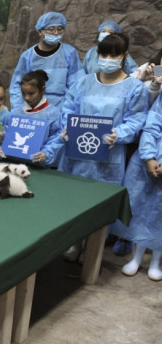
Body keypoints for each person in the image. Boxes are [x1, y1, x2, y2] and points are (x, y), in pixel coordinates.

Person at [59, 33, 149, 261]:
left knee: (100, 205)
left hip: (109, 156)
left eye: (114, 54)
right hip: (78, 155)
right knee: (74, 199)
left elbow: (137, 120)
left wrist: (119, 134)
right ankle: (73, 242)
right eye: (103, 54)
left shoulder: (134, 88)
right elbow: (69, 108)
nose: (108, 58)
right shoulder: (84, 82)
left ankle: (92, 250)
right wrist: (67, 127)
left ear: (125, 55)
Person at [115, 92, 162, 281]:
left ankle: (156, 261)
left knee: (160, 215)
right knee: (140, 210)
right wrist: (149, 156)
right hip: (147, 163)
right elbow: (152, 127)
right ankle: (136, 258)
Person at [9, 11, 83, 111]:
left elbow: (77, 84)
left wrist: (68, 111)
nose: (56, 33)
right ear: (40, 32)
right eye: (51, 30)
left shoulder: (69, 53)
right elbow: (17, 85)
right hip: (33, 108)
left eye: (59, 29)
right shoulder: (28, 56)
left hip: (61, 108)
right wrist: (19, 110)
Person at [6, 70, 64, 167]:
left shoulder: (53, 113)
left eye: (31, 93)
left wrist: (46, 154)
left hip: (40, 166)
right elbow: (8, 133)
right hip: (14, 164)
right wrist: (3, 140)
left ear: (43, 89)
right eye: (23, 93)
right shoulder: (16, 112)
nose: (27, 97)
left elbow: (56, 138)